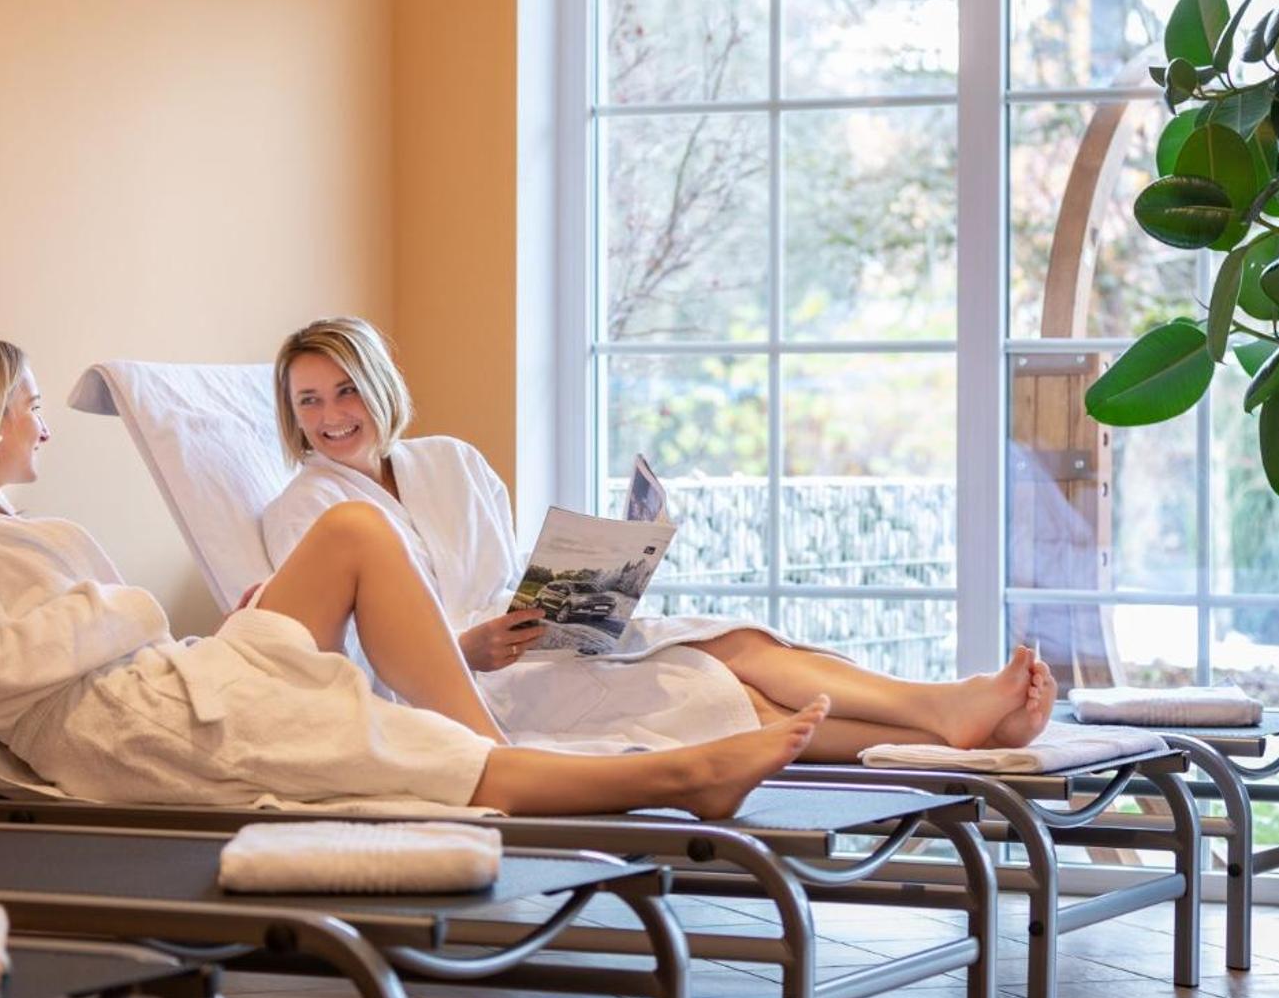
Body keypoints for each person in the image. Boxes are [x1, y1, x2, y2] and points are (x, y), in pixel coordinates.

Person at [0, 336, 827, 818]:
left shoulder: (11, 528)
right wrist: (126, 609)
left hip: (173, 678)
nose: (42, 426)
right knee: (410, 746)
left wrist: (181, 630)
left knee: (355, 530)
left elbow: (92, 636)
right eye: (30, 407)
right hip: (132, 727)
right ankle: (682, 776)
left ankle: (497, 743)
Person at [259, 318, 1055, 764]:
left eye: (345, 389)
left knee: (732, 640)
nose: (331, 415)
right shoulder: (306, 512)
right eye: (309, 401)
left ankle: (941, 709)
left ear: (379, 386)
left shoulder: (450, 462)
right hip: (462, 693)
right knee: (717, 692)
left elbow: (505, 577)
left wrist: (575, 593)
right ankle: (947, 730)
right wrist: (466, 648)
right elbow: (335, 669)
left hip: (538, 646)